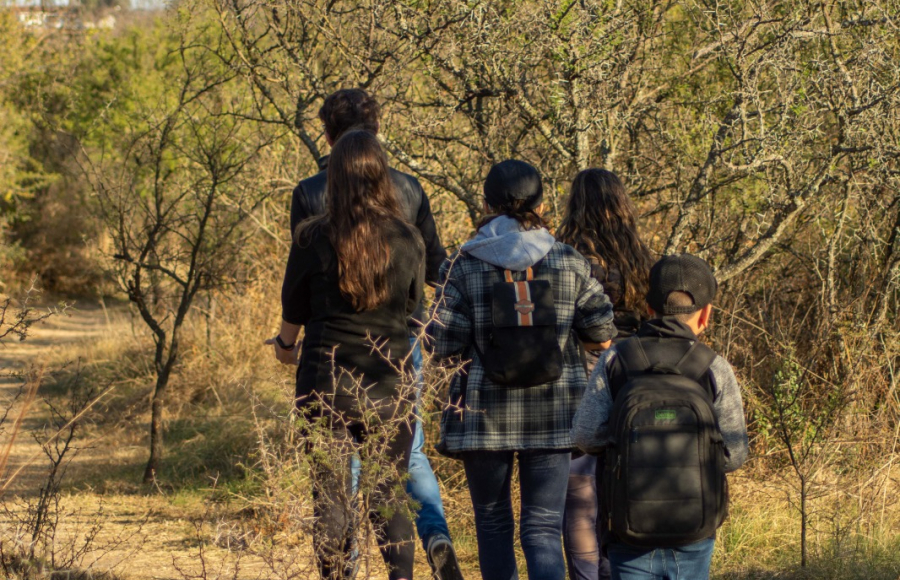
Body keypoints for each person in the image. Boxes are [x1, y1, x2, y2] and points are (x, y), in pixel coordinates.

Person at [289, 89, 462, 579]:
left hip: (328, 365)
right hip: (393, 359)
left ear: (327, 135)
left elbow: (299, 293)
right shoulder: (408, 199)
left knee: (331, 489)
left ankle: (343, 572)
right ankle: (432, 540)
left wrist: (287, 342)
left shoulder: (309, 202)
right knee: (396, 478)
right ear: (379, 134)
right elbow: (431, 277)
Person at [429, 159, 617, 580]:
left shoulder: (462, 264)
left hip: (483, 416)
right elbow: (603, 329)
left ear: (486, 203)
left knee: (493, 523)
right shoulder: (569, 260)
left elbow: (442, 342)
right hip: (555, 412)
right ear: (542, 204)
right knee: (543, 527)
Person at [269, 130, 422, 580]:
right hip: (390, 379)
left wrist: (284, 347)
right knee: (389, 497)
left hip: (325, 380)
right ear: (382, 177)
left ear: (333, 178)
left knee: (331, 499)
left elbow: (293, 308)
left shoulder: (312, 237)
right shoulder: (408, 237)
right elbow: (412, 307)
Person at [571, 254, 749, 580]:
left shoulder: (615, 360)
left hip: (627, 529)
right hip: (694, 529)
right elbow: (735, 453)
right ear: (706, 314)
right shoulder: (713, 367)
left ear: (649, 309)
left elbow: (585, 435)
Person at [556, 169, 654, 580]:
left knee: (579, 491)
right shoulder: (642, 257)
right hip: (631, 376)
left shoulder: (565, 254)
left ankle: (585, 575)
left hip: (578, 376)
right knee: (620, 486)